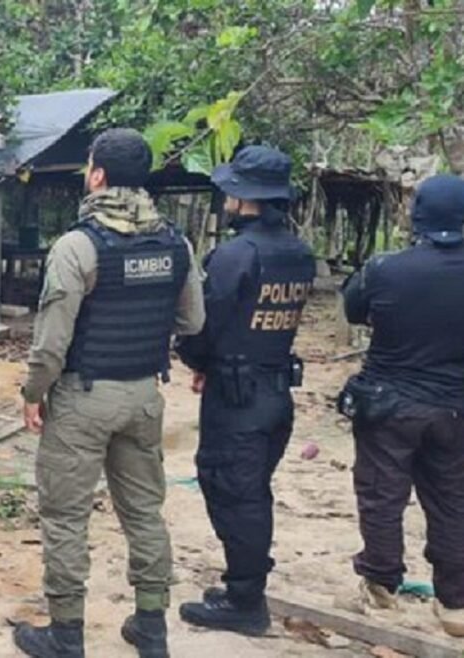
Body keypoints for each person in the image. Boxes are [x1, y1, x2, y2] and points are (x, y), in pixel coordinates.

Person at [15, 128, 205, 658]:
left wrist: (33, 392)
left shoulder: (78, 246)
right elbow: (193, 321)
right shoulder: (176, 243)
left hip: (83, 397)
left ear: (97, 175)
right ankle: (151, 628)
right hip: (144, 395)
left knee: (65, 516)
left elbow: (51, 343)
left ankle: (66, 634)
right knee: (144, 511)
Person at [175, 146, 316, 636]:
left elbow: (203, 323)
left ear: (243, 197)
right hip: (274, 390)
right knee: (250, 490)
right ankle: (243, 587)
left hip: (237, 398)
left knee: (234, 492)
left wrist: (197, 360)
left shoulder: (236, 256)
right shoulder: (298, 253)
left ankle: (245, 601)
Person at [338, 174, 464, 638]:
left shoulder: (386, 268)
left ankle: (380, 585)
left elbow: (353, 309)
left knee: (382, 495)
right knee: (452, 499)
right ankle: (455, 603)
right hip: (455, 407)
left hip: (389, 404)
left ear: (417, 216)